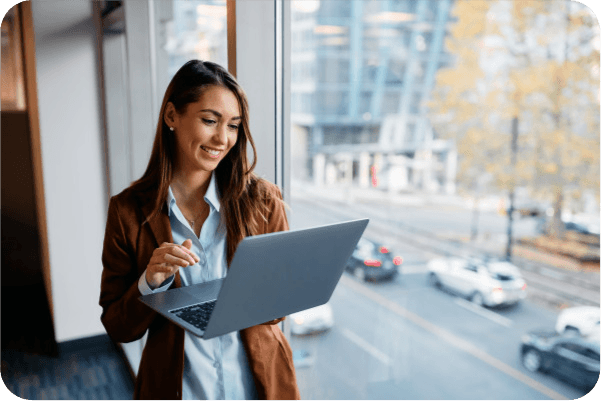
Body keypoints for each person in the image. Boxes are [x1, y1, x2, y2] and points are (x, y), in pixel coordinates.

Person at [99, 60, 300, 400]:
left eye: (234, 126)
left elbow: (278, 309)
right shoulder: (128, 210)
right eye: (210, 120)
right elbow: (118, 326)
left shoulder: (264, 201)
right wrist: (149, 283)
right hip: (179, 389)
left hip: (259, 386)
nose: (223, 139)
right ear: (171, 117)